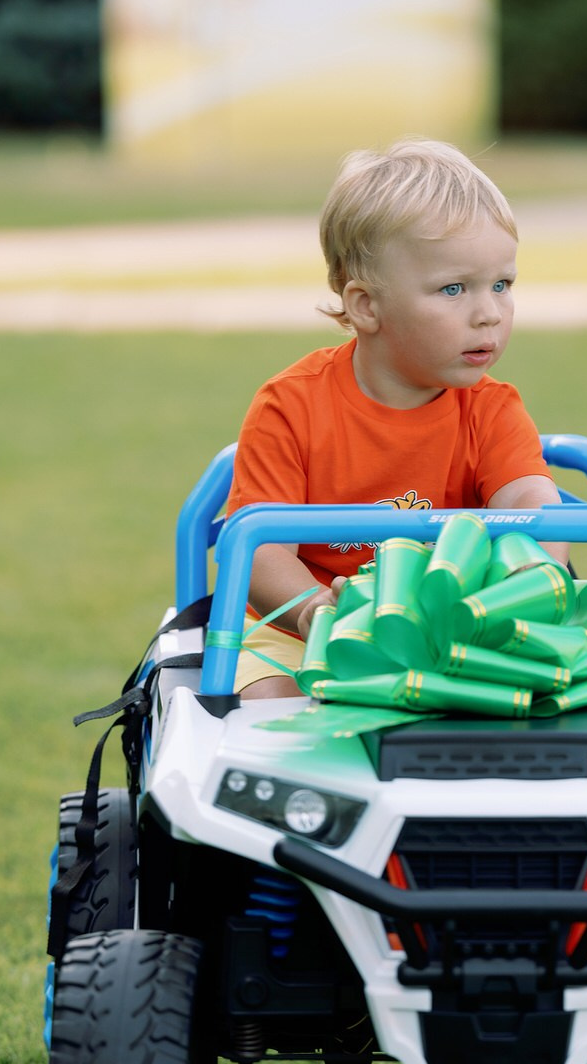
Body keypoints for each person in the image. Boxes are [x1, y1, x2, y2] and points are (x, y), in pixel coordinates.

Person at [225, 139, 565, 701]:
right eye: (453, 289)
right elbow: (259, 549)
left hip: (456, 628)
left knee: (548, 696)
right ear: (365, 305)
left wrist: (527, 581)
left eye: (502, 284)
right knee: (275, 709)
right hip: (299, 630)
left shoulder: (492, 408)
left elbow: (531, 503)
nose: (489, 313)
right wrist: (312, 611)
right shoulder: (290, 406)